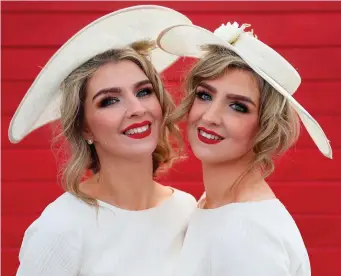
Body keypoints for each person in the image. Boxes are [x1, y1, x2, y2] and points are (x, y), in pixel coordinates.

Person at [9, 6, 196, 276]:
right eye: (110, 100)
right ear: (85, 128)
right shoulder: (61, 228)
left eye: (143, 91)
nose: (136, 109)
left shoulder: (188, 211)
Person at [156, 22, 332, 275]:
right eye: (205, 95)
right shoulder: (215, 204)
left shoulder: (249, 235)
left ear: (266, 126)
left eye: (238, 107)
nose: (210, 116)